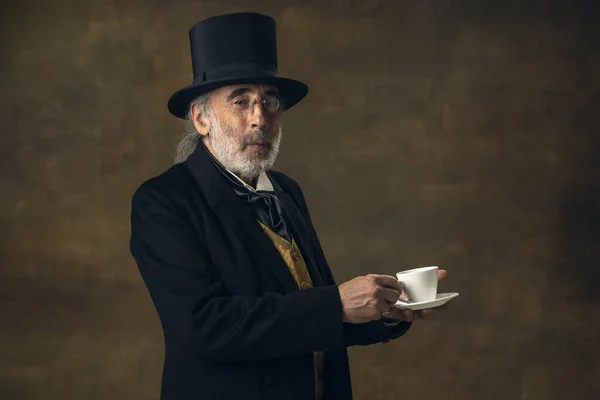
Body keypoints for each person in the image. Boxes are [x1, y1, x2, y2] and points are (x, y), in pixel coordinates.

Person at [130, 12, 448, 400]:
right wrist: (335, 305)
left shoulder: (285, 190)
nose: (259, 118)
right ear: (201, 118)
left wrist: (386, 311)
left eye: (270, 101)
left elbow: (312, 312)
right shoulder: (163, 201)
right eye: (241, 101)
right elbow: (205, 327)